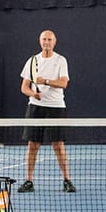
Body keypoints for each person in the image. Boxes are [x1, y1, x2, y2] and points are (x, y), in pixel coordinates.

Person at [17, 29, 75, 193]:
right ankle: (29, 181)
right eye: (44, 39)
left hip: (56, 107)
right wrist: (33, 93)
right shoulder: (32, 61)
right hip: (35, 107)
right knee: (33, 145)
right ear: (40, 41)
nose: (46, 42)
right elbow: (24, 87)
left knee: (58, 145)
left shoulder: (60, 60)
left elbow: (64, 83)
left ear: (54, 42)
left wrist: (46, 81)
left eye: (49, 39)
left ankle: (67, 180)